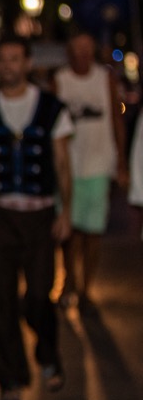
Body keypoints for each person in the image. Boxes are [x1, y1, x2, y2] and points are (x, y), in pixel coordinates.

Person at [0, 35, 73, 400]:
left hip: (39, 214)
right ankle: (10, 377)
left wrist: (65, 211)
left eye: (14, 59)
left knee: (40, 295)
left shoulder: (52, 107)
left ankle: (47, 352)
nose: (8, 66)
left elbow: (61, 163)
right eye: (2, 60)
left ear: (27, 63)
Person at [52, 32, 128, 306]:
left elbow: (116, 120)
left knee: (93, 231)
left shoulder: (104, 78)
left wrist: (121, 161)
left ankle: (85, 288)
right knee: (69, 231)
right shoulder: (60, 80)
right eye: (77, 48)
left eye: (87, 49)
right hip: (68, 166)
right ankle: (68, 281)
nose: (83, 54)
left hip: (98, 162)